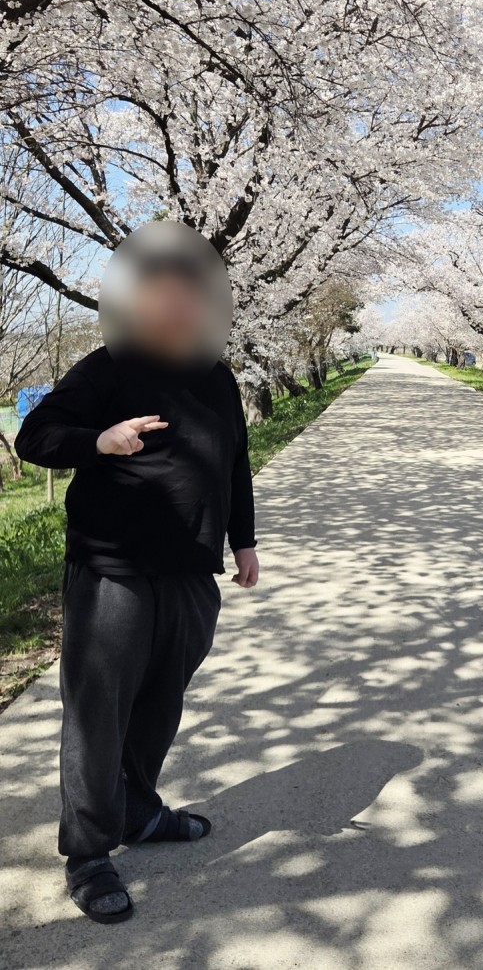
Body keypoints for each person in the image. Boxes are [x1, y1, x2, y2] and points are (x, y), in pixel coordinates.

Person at [15, 241, 259, 924]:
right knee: (100, 711)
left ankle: (139, 811)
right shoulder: (108, 367)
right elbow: (35, 435)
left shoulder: (217, 376)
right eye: (165, 296)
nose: (180, 308)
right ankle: (88, 853)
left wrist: (243, 540)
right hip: (113, 567)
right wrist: (100, 440)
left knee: (159, 704)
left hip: (191, 568)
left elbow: (235, 462)